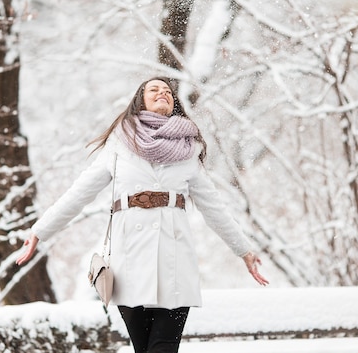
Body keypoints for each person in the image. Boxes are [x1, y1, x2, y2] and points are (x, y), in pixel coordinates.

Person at [16, 76, 269, 353]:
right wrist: (40, 230)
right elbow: (80, 193)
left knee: (162, 348)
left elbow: (214, 207)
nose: (163, 93)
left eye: (167, 91)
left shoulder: (188, 151)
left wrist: (243, 250)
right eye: (154, 90)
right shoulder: (119, 144)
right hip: (129, 264)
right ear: (140, 101)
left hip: (175, 265)